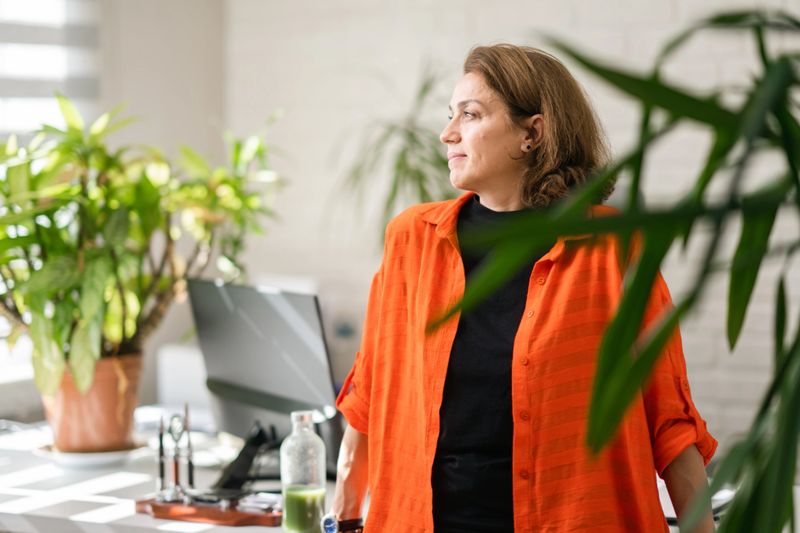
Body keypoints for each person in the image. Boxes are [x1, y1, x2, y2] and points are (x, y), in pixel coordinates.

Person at [328, 44, 717, 533]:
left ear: (532, 133)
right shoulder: (413, 240)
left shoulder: (612, 250)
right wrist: (341, 521)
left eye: (469, 115)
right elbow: (368, 399)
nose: (448, 134)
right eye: (451, 116)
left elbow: (670, 422)